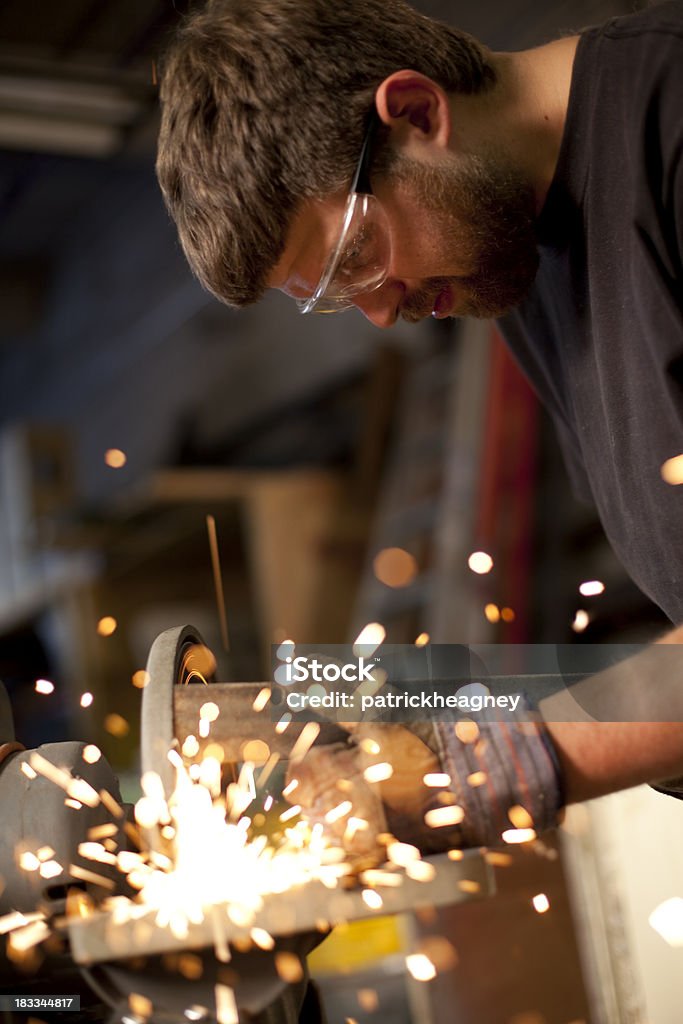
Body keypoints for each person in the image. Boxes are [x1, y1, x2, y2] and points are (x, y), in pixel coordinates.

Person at [155, 0, 683, 836]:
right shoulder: (520, 260)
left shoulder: (671, 126)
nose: (378, 314)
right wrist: (370, 703)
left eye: (356, 258)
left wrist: (483, 765)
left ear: (414, 112)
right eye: (334, 301)